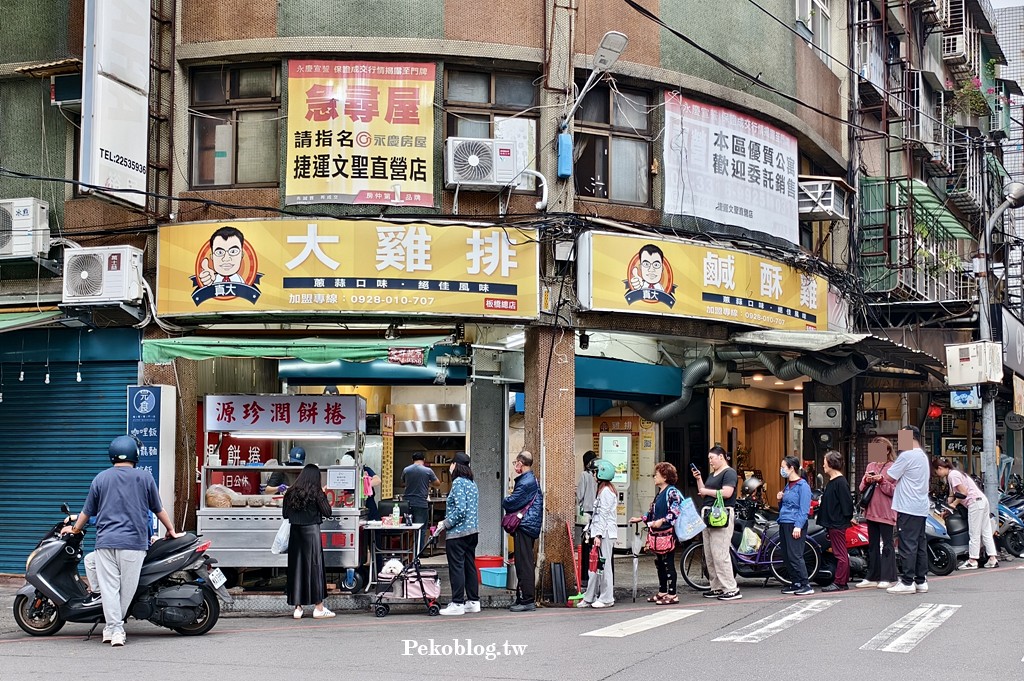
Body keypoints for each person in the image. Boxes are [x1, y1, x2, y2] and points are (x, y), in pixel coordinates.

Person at [60, 436, 180, 647]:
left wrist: (75, 528)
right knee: (126, 590)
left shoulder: (101, 478)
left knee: (109, 589)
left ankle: (112, 629)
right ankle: (116, 629)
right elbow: (158, 508)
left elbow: (87, 512)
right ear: (136, 454)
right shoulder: (144, 478)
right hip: (133, 545)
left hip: (105, 542)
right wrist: (171, 530)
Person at [282, 463, 335, 619]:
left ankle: (298, 608)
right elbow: (328, 512)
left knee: (296, 569)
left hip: (295, 533)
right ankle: (318, 608)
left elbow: (285, 514)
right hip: (311, 533)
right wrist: (324, 494)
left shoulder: (290, 492)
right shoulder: (316, 492)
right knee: (314, 569)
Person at [885, 425, 932, 595]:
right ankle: (921, 580)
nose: (900, 441)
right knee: (919, 543)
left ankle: (907, 581)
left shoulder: (907, 455)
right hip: (920, 506)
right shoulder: (922, 455)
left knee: (907, 544)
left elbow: (890, 477)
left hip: (908, 506)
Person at [692, 446, 742, 601]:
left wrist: (707, 492)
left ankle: (731, 588)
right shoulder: (713, 474)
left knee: (720, 553)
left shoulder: (729, 473)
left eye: (712, 458)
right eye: (709, 458)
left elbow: (727, 493)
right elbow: (703, 492)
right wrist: (699, 478)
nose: (710, 461)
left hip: (722, 514)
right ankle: (717, 587)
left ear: (721, 457)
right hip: (708, 514)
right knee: (710, 554)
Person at [435, 452, 480, 616]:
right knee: (469, 566)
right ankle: (473, 602)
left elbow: (461, 510)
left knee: (457, 568)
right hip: (472, 532)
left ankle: (458, 603)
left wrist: (445, 523)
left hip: (458, 533)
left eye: (451, 463)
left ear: (455, 465)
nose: (450, 466)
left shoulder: (459, 483)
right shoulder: (472, 483)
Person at [933, 458, 998, 570]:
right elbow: (952, 495)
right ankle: (992, 558)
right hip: (982, 500)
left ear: (940, 468)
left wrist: (954, 504)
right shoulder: (953, 474)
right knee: (985, 531)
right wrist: (947, 509)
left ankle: (972, 561)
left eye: (936, 472)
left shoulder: (953, 475)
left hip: (974, 503)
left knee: (974, 533)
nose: (937, 475)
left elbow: (963, 493)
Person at [630, 462, 681, 604]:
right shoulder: (660, 493)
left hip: (667, 534)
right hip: (659, 534)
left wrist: (662, 520)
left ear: (665, 477)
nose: (654, 477)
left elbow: (675, 512)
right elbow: (652, 512)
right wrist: (640, 518)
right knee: (659, 563)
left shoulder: (672, 492)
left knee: (668, 563)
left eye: (656, 475)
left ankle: (672, 594)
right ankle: (663, 591)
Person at [503, 450, 543, 612]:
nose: (515, 466)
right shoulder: (529, 479)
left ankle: (527, 600)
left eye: (515, 463)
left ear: (520, 463)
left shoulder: (526, 482)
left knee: (524, 564)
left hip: (525, 526)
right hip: (528, 525)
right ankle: (523, 598)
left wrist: (505, 498)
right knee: (521, 562)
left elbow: (511, 503)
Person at [856, 436, 898, 589]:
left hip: (886, 511)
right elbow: (861, 488)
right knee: (872, 544)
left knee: (887, 545)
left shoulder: (893, 467)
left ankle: (888, 576)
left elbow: (894, 491)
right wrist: (867, 480)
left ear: (887, 450)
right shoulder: (870, 465)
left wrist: (882, 481)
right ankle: (872, 576)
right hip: (871, 510)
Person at [776, 455, 814, 595]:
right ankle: (795, 582)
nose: (781, 470)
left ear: (791, 468)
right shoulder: (788, 485)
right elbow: (784, 506)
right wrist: (779, 500)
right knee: (786, 554)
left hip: (794, 524)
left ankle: (805, 584)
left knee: (795, 555)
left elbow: (804, 509)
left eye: (783, 467)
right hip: (784, 521)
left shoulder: (802, 486)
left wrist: (798, 526)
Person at [818, 450, 854, 592]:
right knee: (839, 553)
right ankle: (841, 581)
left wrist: (844, 519)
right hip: (834, 523)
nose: (823, 465)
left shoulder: (840, 482)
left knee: (840, 553)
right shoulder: (835, 481)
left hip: (836, 523)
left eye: (825, 462)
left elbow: (847, 505)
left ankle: (840, 582)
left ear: (831, 463)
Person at [575, 450, 598, 589]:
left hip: (586, 514)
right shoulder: (599, 476)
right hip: (596, 514)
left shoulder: (584, 475)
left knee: (584, 546)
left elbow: (580, 495)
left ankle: (584, 578)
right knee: (595, 548)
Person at [402, 452, 440, 528]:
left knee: (407, 528)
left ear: (412, 459)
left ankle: (410, 540)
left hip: (407, 503)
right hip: (421, 503)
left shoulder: (406, 470)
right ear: (424, 460)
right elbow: (437, 483)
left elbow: (403, 483)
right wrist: (428, 482)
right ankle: (420, 540)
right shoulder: (428, 471)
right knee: (421, 528)